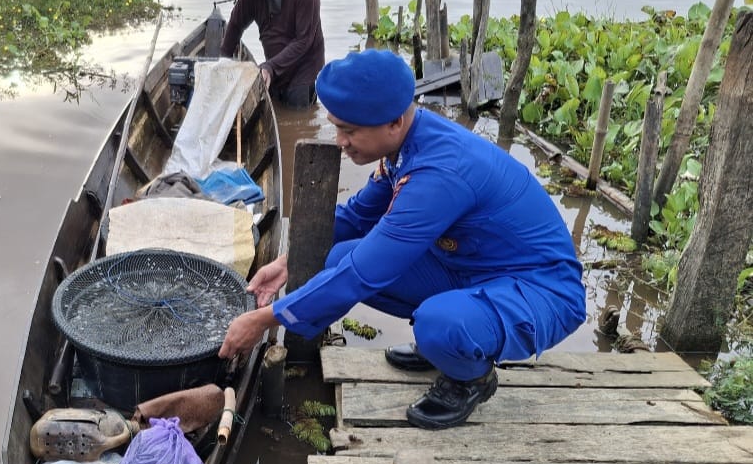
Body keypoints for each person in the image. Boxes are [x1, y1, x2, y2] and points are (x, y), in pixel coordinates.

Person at [217, 49, 586, 430]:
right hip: (470, 266)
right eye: (336, 127)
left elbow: (364, 273)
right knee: (338, 256)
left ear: (394, 122)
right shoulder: (406, 143)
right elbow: (356, 217)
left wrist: (264, 319)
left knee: (437, 323)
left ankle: (471, 377)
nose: (340, 142)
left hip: (539, 288)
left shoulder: (439, 175)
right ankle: (445, 345)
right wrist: (287, 262)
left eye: (349, 131)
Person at [219, 0, 325, 109]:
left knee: (298, 117)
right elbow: (235, 24)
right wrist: (223, 60)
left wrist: (270, 67)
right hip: (274, 65)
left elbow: (303, 41)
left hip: (303, 69)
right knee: (273, 110)